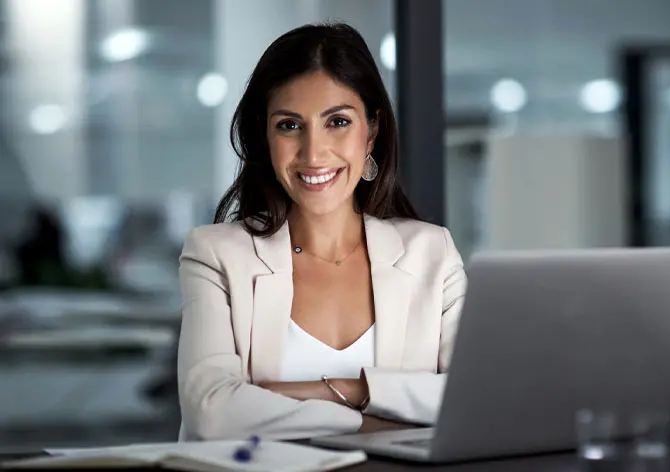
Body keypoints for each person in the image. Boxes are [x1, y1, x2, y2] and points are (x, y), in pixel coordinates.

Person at [177, 22, 467, 441]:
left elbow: (473, 400)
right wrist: (377, 419)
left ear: (372, 133)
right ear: (265, 137)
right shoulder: (216, 255)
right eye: (290, 126)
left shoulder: (432, 254)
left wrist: (350, 389)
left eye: (338, 122)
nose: (313, 154)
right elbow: (213, 415)